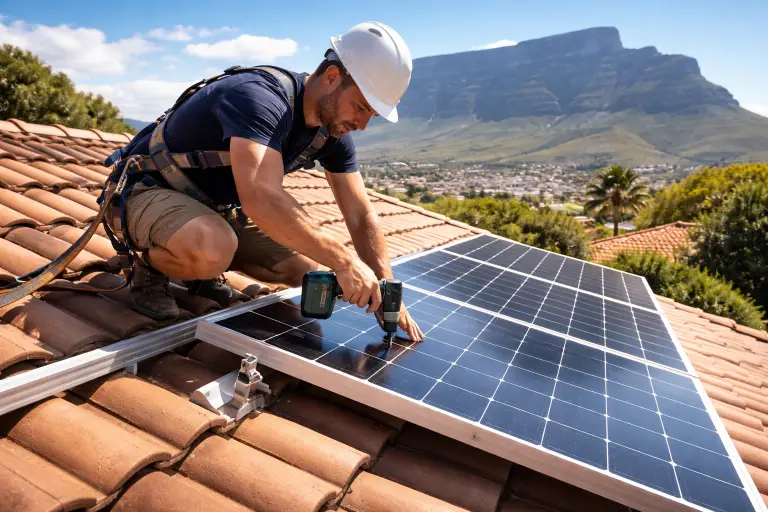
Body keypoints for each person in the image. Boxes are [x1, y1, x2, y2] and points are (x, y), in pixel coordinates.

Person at [103, 21, 424, 342]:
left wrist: (386, 287)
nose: (363, 124)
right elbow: (260, 197)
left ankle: (199, 269)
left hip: (212, 209)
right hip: (145, 191)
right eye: (361, 107)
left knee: (305, 271)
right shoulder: (260, 97)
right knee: (214, 248)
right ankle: (149, 267)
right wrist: (345, 261)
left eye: (372, 115)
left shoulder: (332, 133)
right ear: (331, 77)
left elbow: (360, 214)